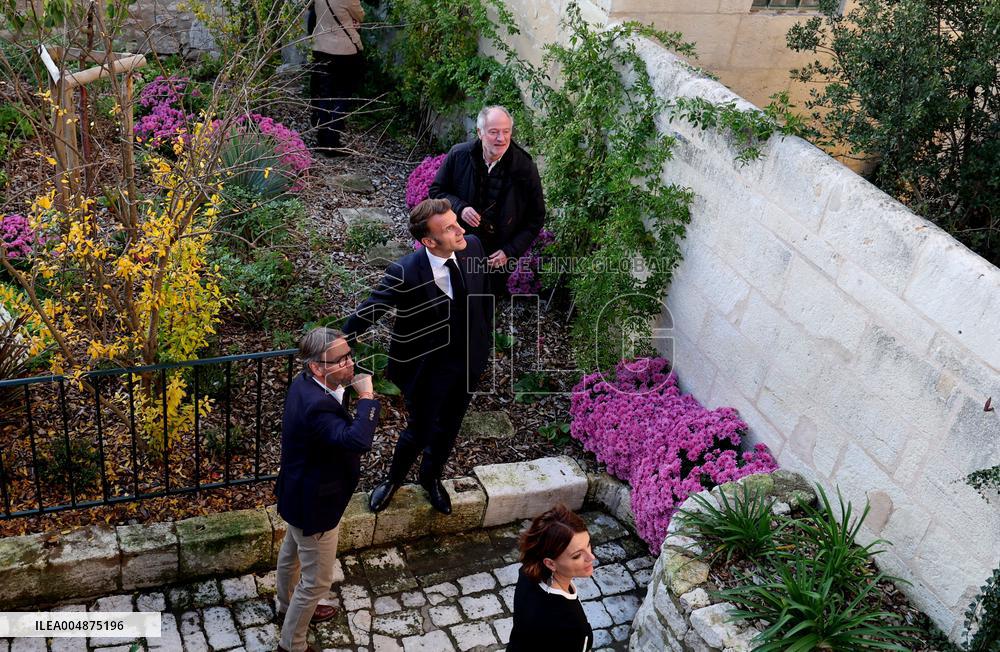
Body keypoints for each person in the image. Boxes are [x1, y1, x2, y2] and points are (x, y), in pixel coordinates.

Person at [343, 198, 493, 515]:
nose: (460, 229)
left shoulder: (474, 246)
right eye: (450, 227)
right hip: (427, 369)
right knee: (421, 430)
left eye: (456, 221)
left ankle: (431, 478)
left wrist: (484, 340)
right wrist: (340, 339)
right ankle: (394, 480)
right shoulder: (406, 271)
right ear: (428, 240)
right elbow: (373, 308)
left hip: (468, 363)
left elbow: (484, 297)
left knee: (450, 426)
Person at [275, 327, 380, 652]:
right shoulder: (316, 405)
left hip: (297, 493)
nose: (351, 364)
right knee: (316, 581)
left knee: (291, 554)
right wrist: (367, 398)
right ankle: (291, 644)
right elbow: (356, 440)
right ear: (317, 366)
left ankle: (285, 606)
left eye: (350, 355)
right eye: (341, 360)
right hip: (315, 506)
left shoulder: (306, 384)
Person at [429, 105, 545, 293]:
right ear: (480, 132)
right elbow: (436, 191)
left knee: (485, 306)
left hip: (497, 256)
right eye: (494, 132)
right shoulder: (458, 155)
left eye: (506, 132)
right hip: (456, 245)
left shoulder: (525, 168)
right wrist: (460, 208)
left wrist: (510, 251)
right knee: (450, 299)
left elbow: (536, 217)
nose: (501, 138)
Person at [507, 505, 597, 652]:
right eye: (577, 555)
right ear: (550, 563)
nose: (591, 557)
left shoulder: (526, 572)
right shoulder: (573, 625)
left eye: (588, 545)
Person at [309, 0, 364, 155]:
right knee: (342, 96)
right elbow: (360, 15)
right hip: (344, 52)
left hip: (320, 49)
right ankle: (332, 142)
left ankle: (321, 139)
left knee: (324, 95)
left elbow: (312, 13)